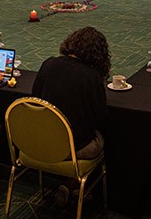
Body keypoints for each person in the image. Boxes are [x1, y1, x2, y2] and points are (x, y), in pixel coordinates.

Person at [32, 26, 110, 206]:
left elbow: (35, 99)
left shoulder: (48, 63)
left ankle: (71, 183)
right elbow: (101, 118)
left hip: (41, 143)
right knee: (100, 138)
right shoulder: (92, 77)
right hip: (73, 150)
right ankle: (82, 186)